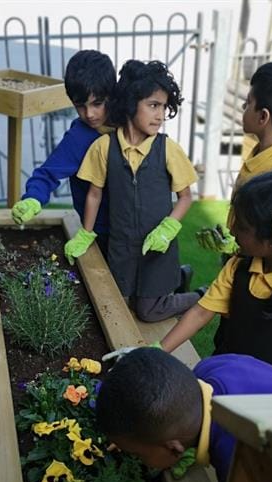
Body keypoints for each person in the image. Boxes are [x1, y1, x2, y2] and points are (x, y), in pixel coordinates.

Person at [159, 170, 272, 387]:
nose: (232, 230)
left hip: (263, 402)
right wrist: (157, 350)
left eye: (242, 227)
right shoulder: (238, 265)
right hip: (222, 382)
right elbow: (201, 312)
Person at [65, 59, 201, 322]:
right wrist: (86, 233)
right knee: (118, 300)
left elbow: (186, 197)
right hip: (122, 246)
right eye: (153, 106)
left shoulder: (168, 149)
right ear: (130, 102)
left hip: (157, 248)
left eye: (163, 107)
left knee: (147, 312)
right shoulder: (103, 147)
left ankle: (200, 296)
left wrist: (168, 228)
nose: (160, 115)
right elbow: (94, 194)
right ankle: (181, 275)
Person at [95, 347, 272, 482]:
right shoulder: (209, 368)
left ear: (174, 449)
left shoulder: (235, 461)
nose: (136, 459)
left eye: (138, 454)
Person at [196, 61, 272, 256]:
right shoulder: (262, 150)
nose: (243, 107)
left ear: (263, 117)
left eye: (248, 103)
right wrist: (231, 242)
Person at [10, 49, 116, 254]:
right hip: (101, 232)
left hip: (138, 225)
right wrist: (33, 198)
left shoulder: (131, 123)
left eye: (97, 103)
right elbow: (47, 174)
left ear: (112, 94)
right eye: (80, 106)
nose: (90, 114)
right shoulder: (79, 138)